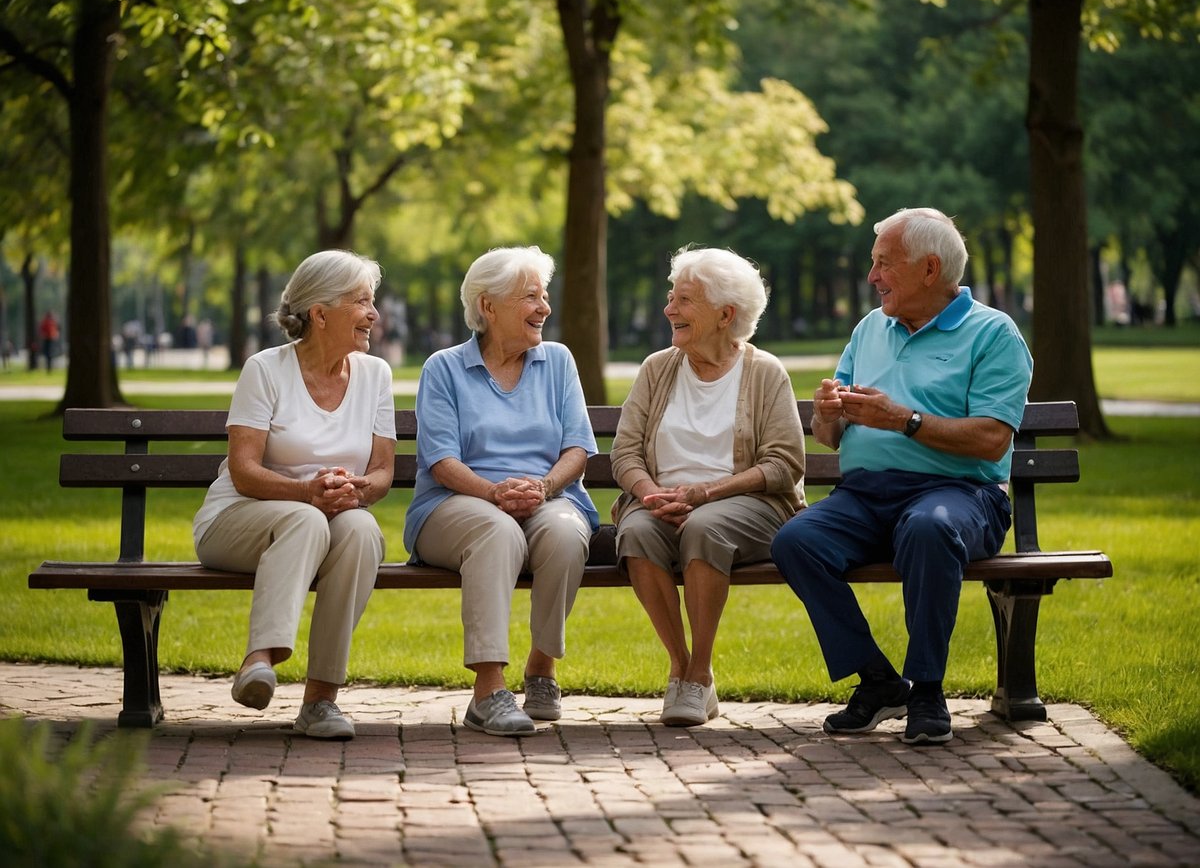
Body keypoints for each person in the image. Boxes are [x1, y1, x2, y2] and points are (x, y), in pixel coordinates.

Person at [771, 208, 1033, 746]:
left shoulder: (992, 333)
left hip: (961, 494)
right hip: (866, 495)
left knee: (929, 528)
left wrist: (904, 420)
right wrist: (827, 411)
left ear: (930, 270)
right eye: (874, 264)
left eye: (884, 264)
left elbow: (991, 439)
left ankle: (927, 689)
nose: (873, 277)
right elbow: (830, 435)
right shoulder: (870, 328)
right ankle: (879, 680)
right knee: (797, 541)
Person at [192, 250, 396, 740]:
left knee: (364, 532)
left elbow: (383, 471)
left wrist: (358, 489)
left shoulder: (375, 374)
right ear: (320, 314)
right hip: (240, 520)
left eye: (374, 302)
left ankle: (321, 701)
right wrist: (307, 492)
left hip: (328, 518)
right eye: (362, 303)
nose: (374, 314)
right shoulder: (265, 370)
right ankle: (260, 659)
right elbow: (243, 472)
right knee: (305, 520)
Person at [404, 246, 598, 737]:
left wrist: (545, 486)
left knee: (565, 532)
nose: (545, 308)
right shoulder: (444, 368)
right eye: (530, 296)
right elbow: (442, 461)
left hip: (546, 497)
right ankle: (488, 691)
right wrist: (494, 494)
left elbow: (578, 447)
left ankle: (541, 669)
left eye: (545, 295)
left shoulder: (557, 361)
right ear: (488, 306)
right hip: (456, 505)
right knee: (496, 532)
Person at [611, 247, 806, 727]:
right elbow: (625, 453)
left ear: (725, 315)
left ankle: (700, 673)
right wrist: (652, 493)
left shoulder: (764, 372)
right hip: (660, 500)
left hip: (747, 504)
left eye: (684, 301)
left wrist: (706, 493)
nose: (669, 309)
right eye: (670, 297)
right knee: (634, 533)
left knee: (704, 528)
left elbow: (784, 464)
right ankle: (679, 666)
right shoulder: (658, 368)